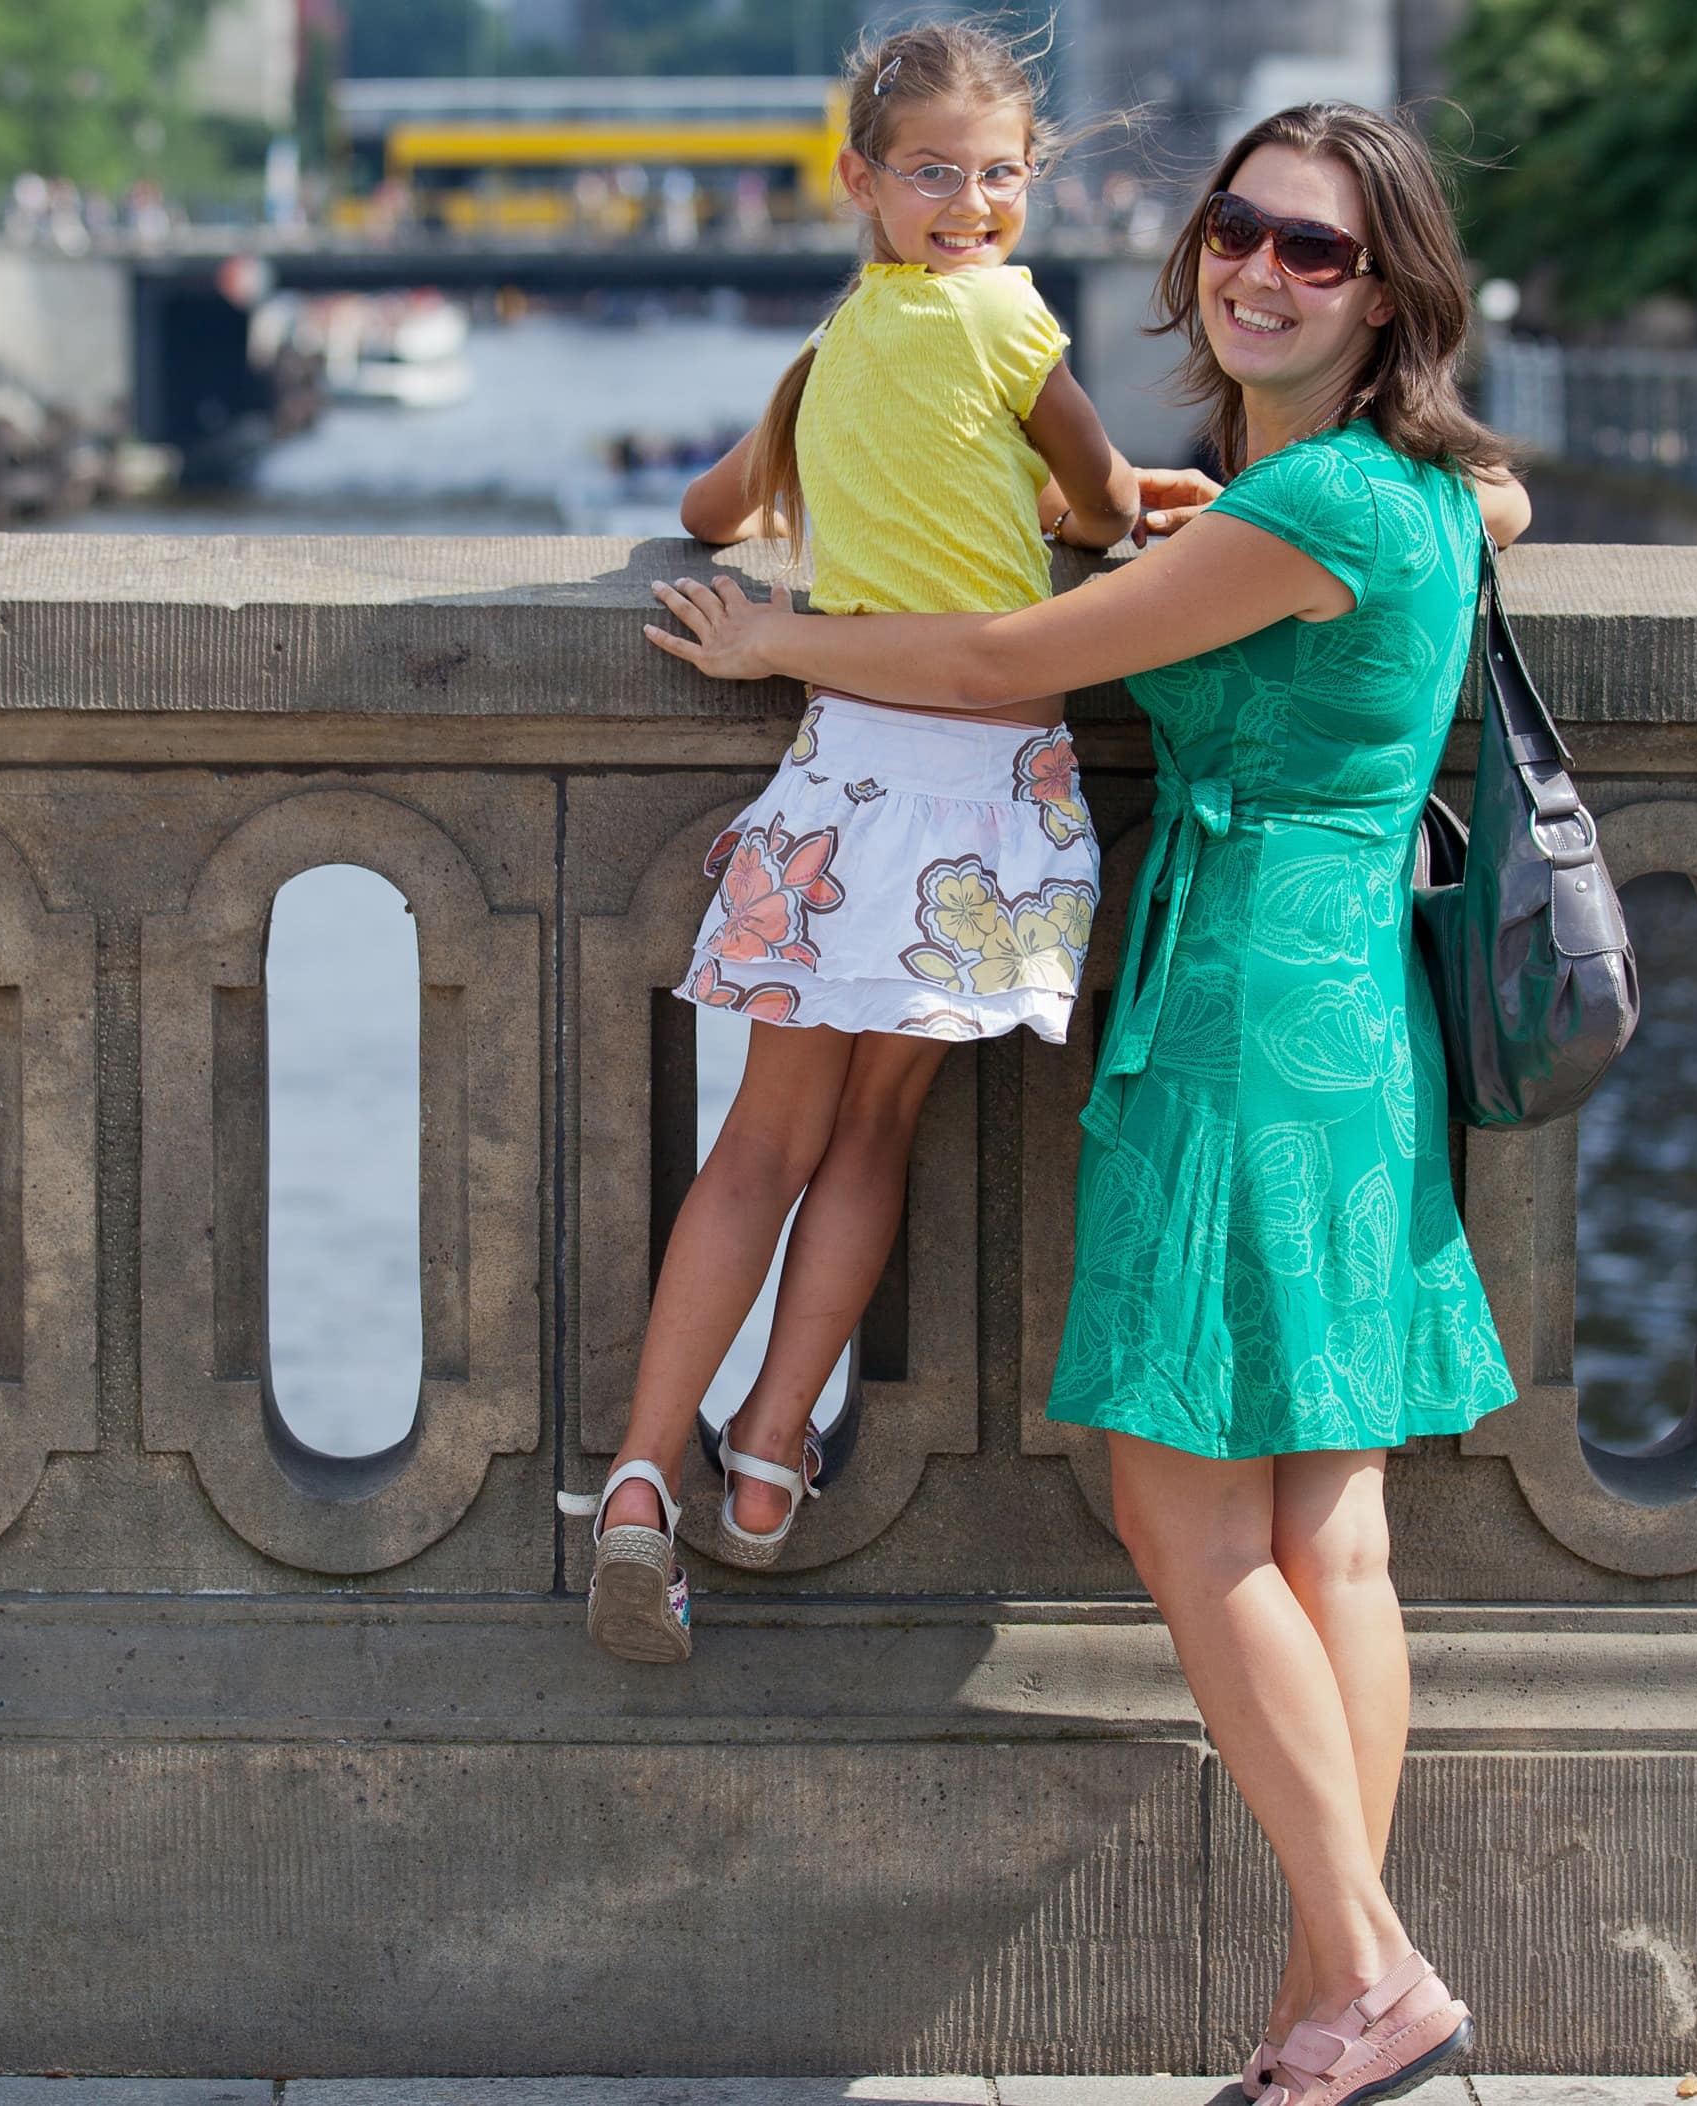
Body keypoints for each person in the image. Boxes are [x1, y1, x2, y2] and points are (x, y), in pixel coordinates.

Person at [641, 100, 1533, 2106]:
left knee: (1181, 1500)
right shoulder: (1388, 491)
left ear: (1387, 292)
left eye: (1316, 252)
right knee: (1331, 1535)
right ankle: (1332, 2002)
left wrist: (784, 639)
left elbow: (1011, 656)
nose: (1261, 270)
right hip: (1353, 1024)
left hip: (1239, 1015)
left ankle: (1376, 1973)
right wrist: (1181, 501)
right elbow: (1463, 512)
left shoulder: (1302, 514)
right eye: (1241, 229)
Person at [558, 18, 1164, 1665]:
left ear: (1022, 177)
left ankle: (633, 1480)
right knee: (873, 1137)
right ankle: (766, 1462)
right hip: (984, 799)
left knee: (758, 1143)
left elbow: (710, 515)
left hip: (842, 782)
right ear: (870, 178)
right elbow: (1107, 507)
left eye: (992, 175)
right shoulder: (1013, 315)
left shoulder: (831, 346)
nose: (967, 204)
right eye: (936, 174)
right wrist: (1061, 503)